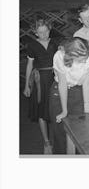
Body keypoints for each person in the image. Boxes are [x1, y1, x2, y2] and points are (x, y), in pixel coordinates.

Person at [49, 37, 89, 154]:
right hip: (59, 92)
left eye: (86, 58)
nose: (85, 61)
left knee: (80, 130)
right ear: (71, 55)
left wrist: (87, 105)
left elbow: (87, 82)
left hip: (78, 90)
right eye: (81, 60)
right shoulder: (59, 56)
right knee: (60, 131)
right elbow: (62, 84)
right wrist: (64, 111)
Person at [23, 18, 57, 154]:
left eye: (46, 31)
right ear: (35, 33)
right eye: (40, 32)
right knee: (42, 111)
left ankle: (57, 140)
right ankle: (46, 142)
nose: (44, 35)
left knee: (55, 110)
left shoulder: (55, 43)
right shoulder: (31, 45)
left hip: (55, 80)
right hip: (39, 82)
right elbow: (29, 65)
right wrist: (27, 85)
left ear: (49, 30)